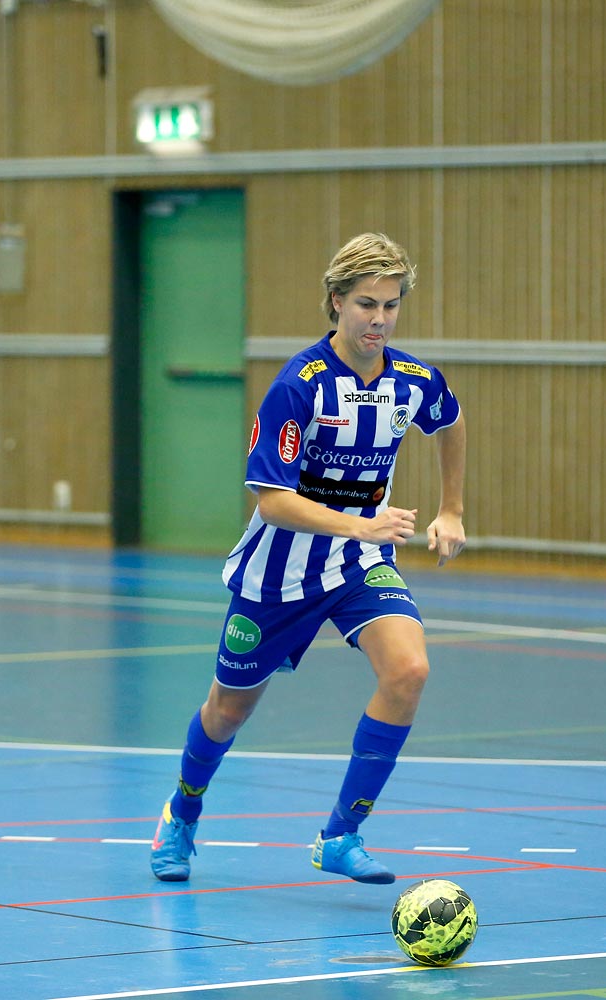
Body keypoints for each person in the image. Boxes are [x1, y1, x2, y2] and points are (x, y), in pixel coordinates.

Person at [150, 232, 466, 883]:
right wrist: (364, 524)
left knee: (408, 671)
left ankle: (341, 836)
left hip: (357, 567)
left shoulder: (412, 381)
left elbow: (450, 420)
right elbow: (272, 501)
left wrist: (451, 508)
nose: (379, 319)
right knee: (228, 709)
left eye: (390, 305)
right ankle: (181, 813)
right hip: (279, 574)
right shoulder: (299, 387)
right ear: (335, 302)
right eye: (365, 304)